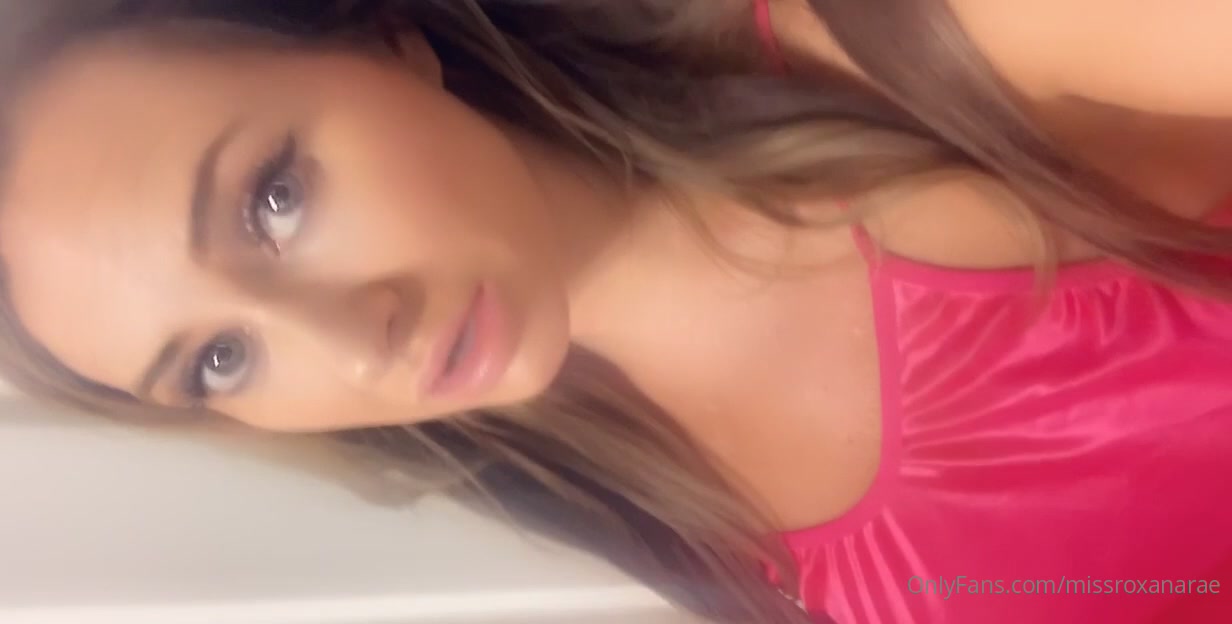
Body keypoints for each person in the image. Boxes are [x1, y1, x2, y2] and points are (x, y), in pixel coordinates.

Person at [2, 1, 1232, 622]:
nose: (350, 339)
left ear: (384, 45)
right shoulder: (662, 519)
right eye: (219, 359)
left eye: (272, 199)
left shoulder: (899, 46)